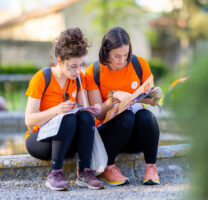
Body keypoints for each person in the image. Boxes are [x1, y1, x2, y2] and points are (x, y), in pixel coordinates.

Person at [25, 28, 104, 191]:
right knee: (66, 117)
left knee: (85, 118)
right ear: (60, 60)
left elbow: (81, 114)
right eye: (72, 66)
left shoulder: (78, 78)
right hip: (41, 140)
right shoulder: (41, 78)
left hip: (66, 141)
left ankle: (84, 173)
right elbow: (29, 120)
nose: (77, 71)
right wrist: (56, 110)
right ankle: (55, 173)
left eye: (80, 66)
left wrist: (89, 110)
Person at [85, 27, 163, 186]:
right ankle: (109, 167)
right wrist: (113, 99)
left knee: (147, 117)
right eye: (117, 56)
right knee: (125, 117)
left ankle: (151, 167)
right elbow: (98, 115)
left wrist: (155, 97)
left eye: (126, 55)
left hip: (134, 135)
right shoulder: (94, 71)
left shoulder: (139, 64)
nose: (122, 60)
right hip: (109, 135)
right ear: (106, 52)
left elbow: (150, 102)